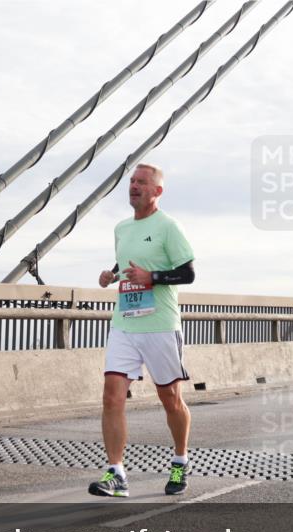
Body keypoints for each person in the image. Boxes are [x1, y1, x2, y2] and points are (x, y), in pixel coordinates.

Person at [90, 164, 196, 498]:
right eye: (131, 182)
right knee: (111, 396)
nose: (134, 186)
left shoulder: (168, 227)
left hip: (160, 326)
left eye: (141, 182)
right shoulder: (121, 228)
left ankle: (179, 460)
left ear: (157, 191)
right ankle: (116, 473)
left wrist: (154, 278)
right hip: (124, 323)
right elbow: (127, 266)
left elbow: (188, 274)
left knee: (170, 399)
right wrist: (112, 274)